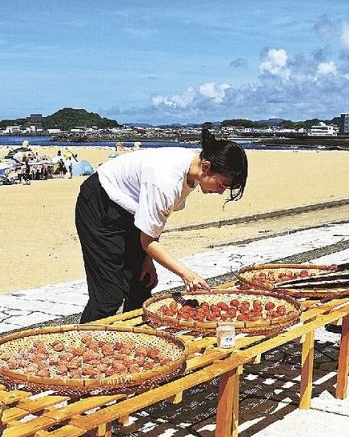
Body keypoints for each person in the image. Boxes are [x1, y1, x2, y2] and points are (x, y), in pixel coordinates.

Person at [75, 129, 248, 323]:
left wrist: (147, 261)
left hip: (130, 210)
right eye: (222, 184)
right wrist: (187, 275)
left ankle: (136, 337)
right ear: (206, 167)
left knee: (141, 284)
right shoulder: (166, 180)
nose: (221, 191)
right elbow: (148, 240)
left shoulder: (191, 171)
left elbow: (154, 225)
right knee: (109, 294)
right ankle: (82, 342)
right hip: (100, 204)